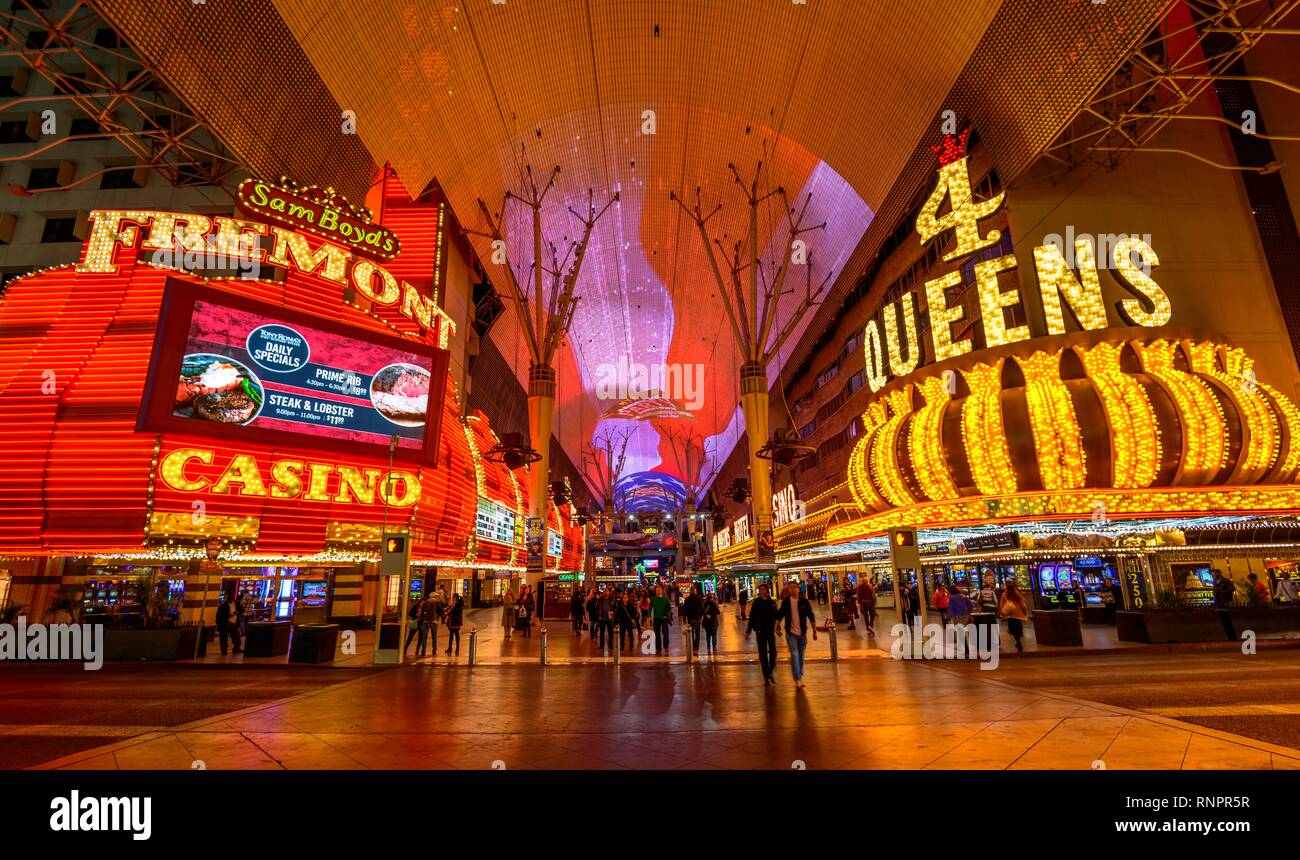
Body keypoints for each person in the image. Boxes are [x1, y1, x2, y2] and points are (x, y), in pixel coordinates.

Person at [777, 582, 817, 688]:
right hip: (791, 633)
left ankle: (800, 676)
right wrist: (776, 626)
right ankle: (797, 678)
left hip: (802, 633)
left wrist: (814, 631)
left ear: (798, 589)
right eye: (790, 588)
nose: (792, 589)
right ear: (788, 589)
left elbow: (811, 616)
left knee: (801, 656)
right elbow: (780, 614)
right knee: (794, 654)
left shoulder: (804, 601)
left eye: (794, 587)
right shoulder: (786, 602)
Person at [746, 583, 779, 685]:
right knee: (763, 654)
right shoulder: (756, 602)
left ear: (767, 590)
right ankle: (766, 676)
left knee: (773, 652)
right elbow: (752, 617)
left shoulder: (772, 602)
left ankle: (770, 672)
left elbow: (776, 616)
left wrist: (778, 628)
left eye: (764, 589)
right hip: (760, 631)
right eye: (760, 590)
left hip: (770, 630)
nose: (762, 591)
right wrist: (748, 631)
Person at [999, 580, 1030, 652]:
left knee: (1012, 630)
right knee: (1018, 627)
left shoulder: (1004, 595)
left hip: (1011, 615)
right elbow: (1023, 605)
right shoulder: (1017, 595)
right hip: (1018, 615)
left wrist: (1002, 613)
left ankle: (1018, 641)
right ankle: (1019, 639)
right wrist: (1025, 613)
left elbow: (1001, 605)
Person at [650, 585, 672, 653]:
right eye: (656, 590)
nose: (657, 591)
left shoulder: (665, 598)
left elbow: (669, 607)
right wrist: (649, 617)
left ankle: (666, 647)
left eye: (659, 590)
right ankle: (658, 648)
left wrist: (667, 615)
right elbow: (650, 608)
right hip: (656, 619)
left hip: (664, 619)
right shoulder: (653, 599)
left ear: (662, 591)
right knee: (657, 635)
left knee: (665, 633)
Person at [683, 585, 704, 653]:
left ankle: (692, 647)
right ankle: (696, 649)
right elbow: (702, 609)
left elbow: (685, 610)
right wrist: (701, 617)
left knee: (691, 634)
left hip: (690, 618)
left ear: (690, 591)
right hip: (697, 618)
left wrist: (684, 618)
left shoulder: (687, 599)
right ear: (695, 591)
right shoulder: (698, 598)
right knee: (697, 634)